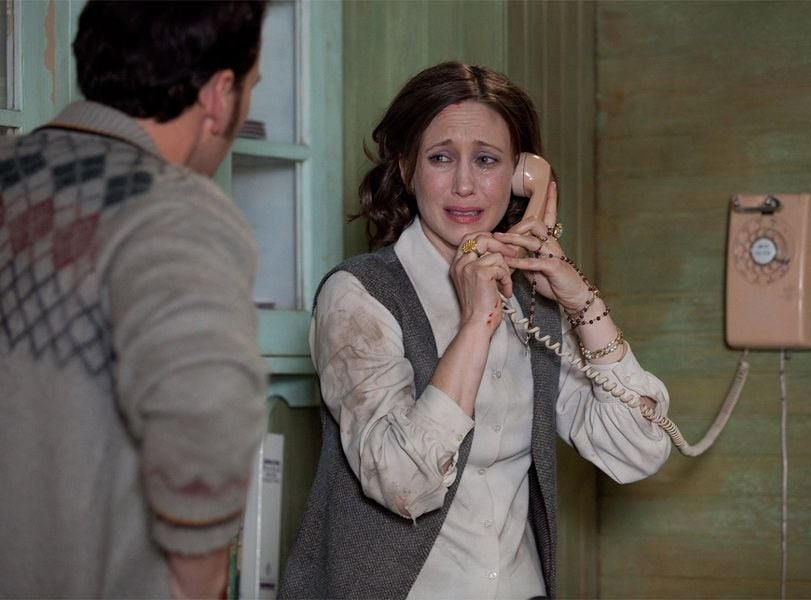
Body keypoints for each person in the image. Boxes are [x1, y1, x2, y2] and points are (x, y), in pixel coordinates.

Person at [279, 61, 672, 600]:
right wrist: (475, 324)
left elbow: (637, 449)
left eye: (486, 160)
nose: (464, 185)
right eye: (441, 158)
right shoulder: (358, 295)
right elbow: (402, 483)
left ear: (522, 174)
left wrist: (582, 302)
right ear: (407, 168)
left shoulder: (532, 300)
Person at [0, 2, 270, 598]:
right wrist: (198, 584)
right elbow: (208, 408)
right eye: (251, 86)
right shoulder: (173, 211)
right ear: (219, 95)